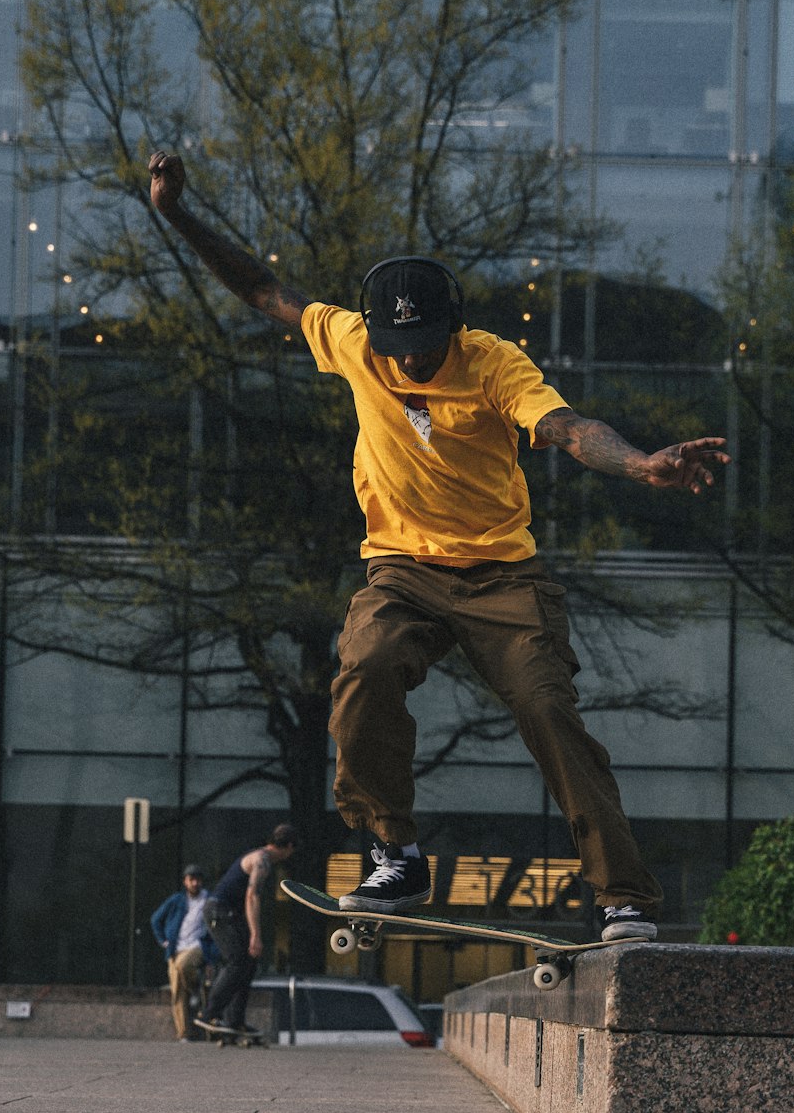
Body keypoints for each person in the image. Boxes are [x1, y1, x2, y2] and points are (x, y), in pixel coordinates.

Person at [148, 150, 730, 944]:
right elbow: (260, 289)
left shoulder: (494, 362)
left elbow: (565, 428)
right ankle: (396, 852)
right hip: (401, 570)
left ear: (452, 325)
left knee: (547, 709)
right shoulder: (355, 340)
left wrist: (638, 464)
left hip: (502, 575)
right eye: (398, 344)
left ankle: (623, 894)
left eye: (424, 344)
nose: (409, 358)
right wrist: (175, 213)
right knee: (363, 671)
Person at [195, 823, 298, 1036]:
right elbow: (252, 897)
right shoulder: (262, 861)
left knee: (249, 963)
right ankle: (209, 1013)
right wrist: (255, 935)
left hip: (228, 913)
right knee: (237, 960)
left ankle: (235, 1020)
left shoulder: (260, 856)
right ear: (289, 847)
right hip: (218, 911)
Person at [149, 863, 218, 1042]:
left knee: (182, 965)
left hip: (198, 946)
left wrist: (212, 957)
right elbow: (156, 919)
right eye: (191, 880)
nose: (194, 883)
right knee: (177, 991)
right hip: (175, 948)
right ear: (185, 882)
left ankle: (195, 991)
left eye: (197, 880)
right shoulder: (177, 900)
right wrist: (163, 941)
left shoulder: (209, 900)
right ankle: (184, 1033)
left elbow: (215, 928)